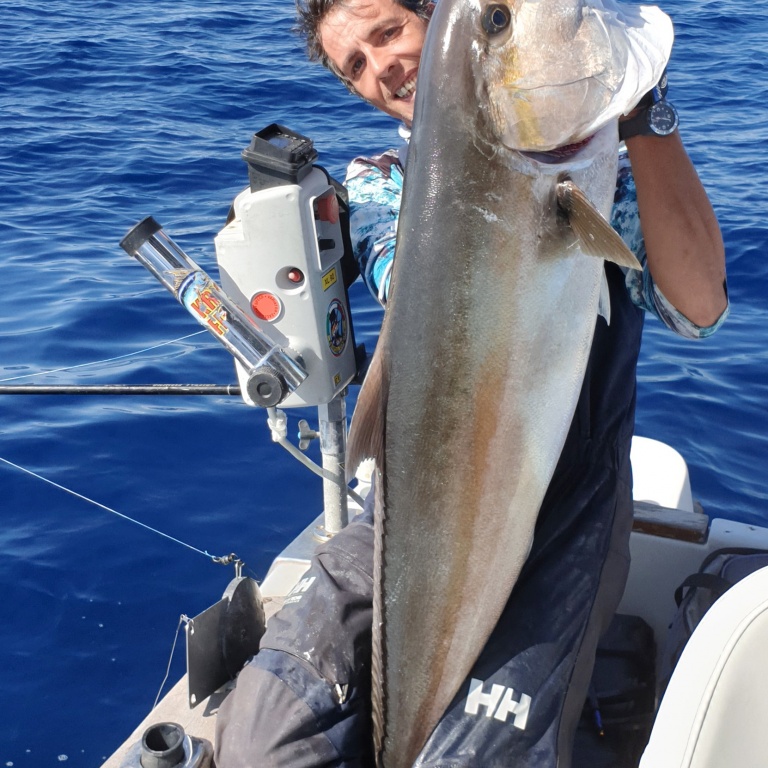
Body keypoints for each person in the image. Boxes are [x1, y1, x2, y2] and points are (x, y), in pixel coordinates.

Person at [214, 0, 728, 765]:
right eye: (355, 64)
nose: (381, 66)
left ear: (428, 17)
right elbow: (417, 290)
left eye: (388, 31)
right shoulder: (383, 187)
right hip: (408, 515)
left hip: (570, 516)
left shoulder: (604, 175)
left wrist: (643, 117)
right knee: (259, 738)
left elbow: (699, 306)